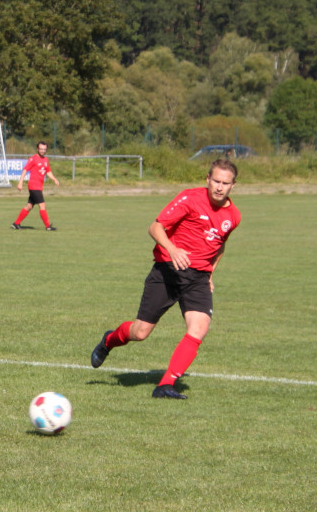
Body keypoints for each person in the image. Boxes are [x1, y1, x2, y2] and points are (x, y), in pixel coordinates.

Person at [89, 158, 241, 400]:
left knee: (199, 328)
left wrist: (210, 273)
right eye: (216, 181)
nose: (219, 187)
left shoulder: (233, 216)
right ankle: (109, 340)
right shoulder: (190, 198)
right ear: (207, 180)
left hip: (198, 278)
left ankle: (165, 385)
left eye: (225, 183)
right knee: (140, 333)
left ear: (233, 185)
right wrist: (172, 249)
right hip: (167, 271)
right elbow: (155, 227)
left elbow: (220, 246)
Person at [11, 141, 61, 231]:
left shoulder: (46, 160)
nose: (43, 151)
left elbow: (48, 171)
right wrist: (20, 182)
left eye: (44, 149)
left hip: (39, 187)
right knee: (42, 205)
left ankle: (16, 223)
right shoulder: (33, 159)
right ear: (37, 149)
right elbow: (25, 170)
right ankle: (48, 226)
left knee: (29, 206)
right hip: (34, 186)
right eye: (41, 149)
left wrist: (54, 179)